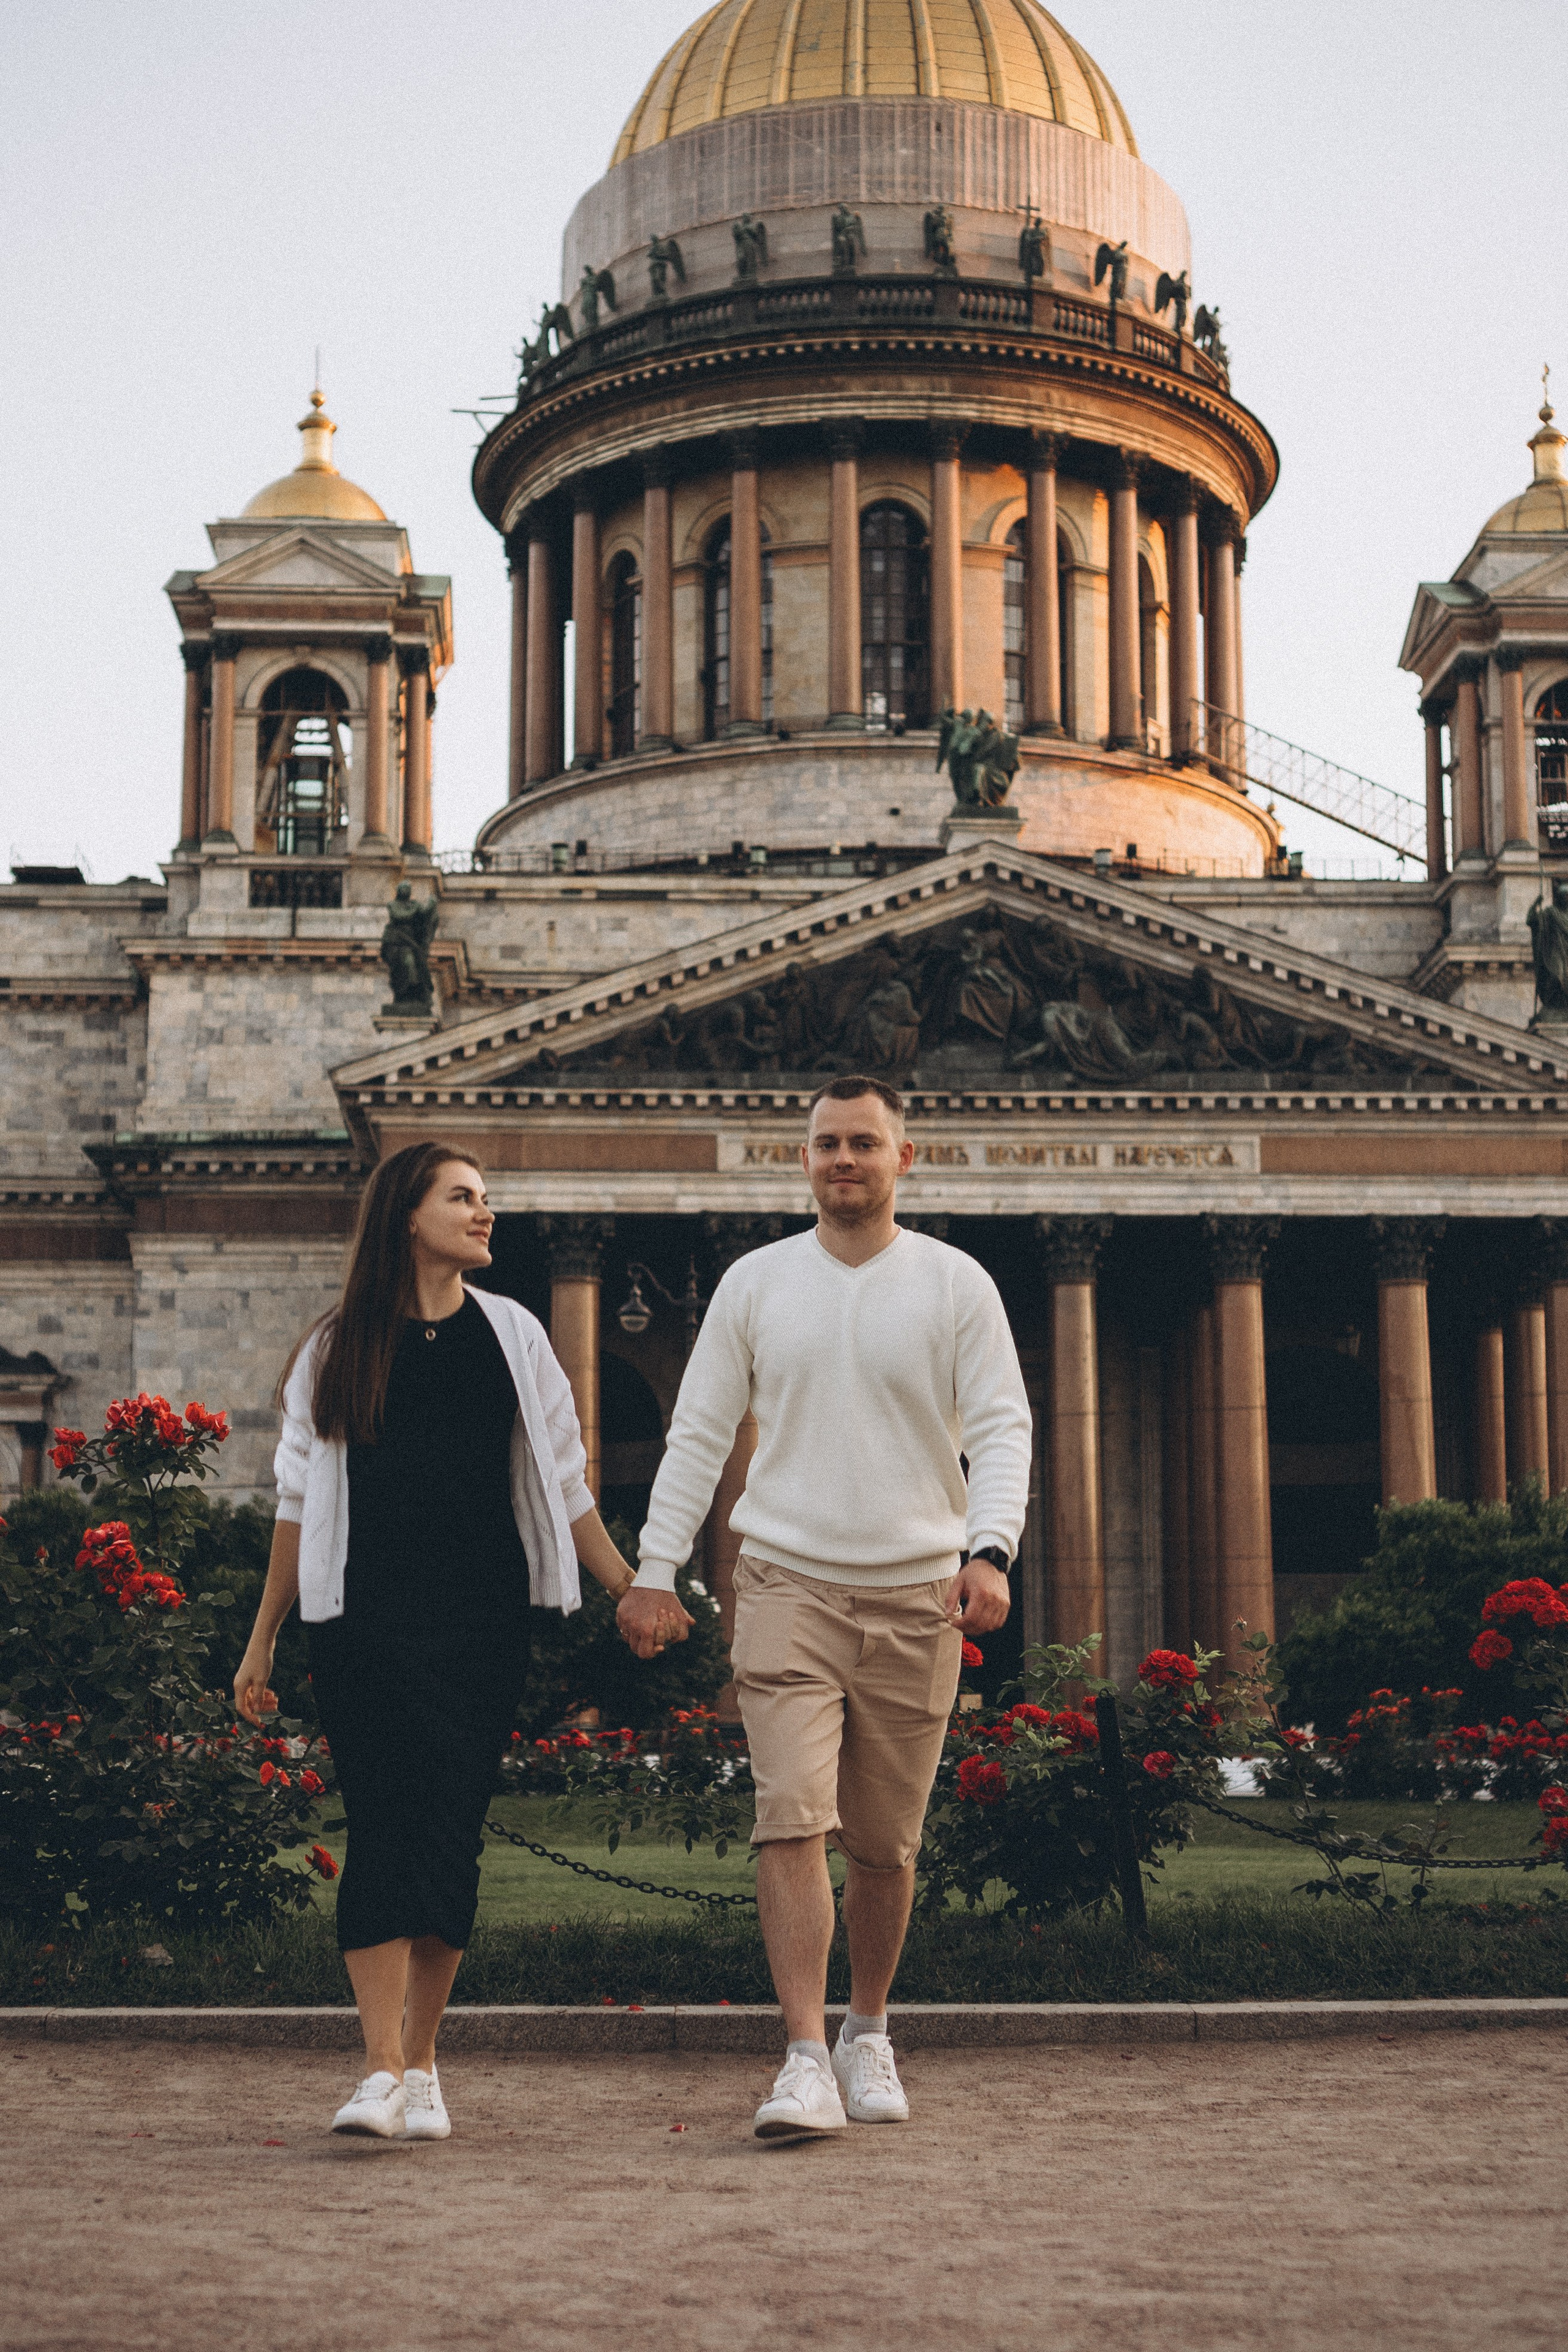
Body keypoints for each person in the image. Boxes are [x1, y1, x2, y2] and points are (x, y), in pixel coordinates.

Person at [619, 1077, 1031, 2138]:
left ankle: (869, 2028)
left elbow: (1004, 1428)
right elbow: (699, 1435)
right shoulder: (756, 1285)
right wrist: (656, 1568)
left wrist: (989, 1551)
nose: (842, 1159)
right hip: (786, 1579)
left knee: (887, 1845)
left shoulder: (956, 1284)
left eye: (863, 1143)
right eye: (824, 1145)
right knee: (792, 1814)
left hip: (915, 1592)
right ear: (802, 1161)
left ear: (905, 1157)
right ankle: (803, 2055)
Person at [234, 1142, 671, 2140]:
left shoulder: (515, 1336)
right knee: (384, 1824)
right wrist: (263, 1639)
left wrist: (635, 1590)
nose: (486, 1214)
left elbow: (569, 1492)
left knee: (451, 1838)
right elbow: (295, 1509)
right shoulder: (334, 1349)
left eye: (488, 1199)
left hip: (481, 1627)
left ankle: (424, 2061)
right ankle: (379, 2069)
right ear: (407, 1216)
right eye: (464, 1198)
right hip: (362, 1626)